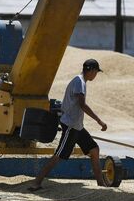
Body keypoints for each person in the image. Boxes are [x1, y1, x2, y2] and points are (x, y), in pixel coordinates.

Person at [29, 59, 108, 191]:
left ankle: (101, 184)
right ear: (92, 71)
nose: (95, 75)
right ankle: (36, 182)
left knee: (94, 150)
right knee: (58, 156)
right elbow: (82, 105)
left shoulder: (81, 82)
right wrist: (99, 121)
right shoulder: (79, 82)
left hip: (77, 126)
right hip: (71, 126)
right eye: (96, 72)